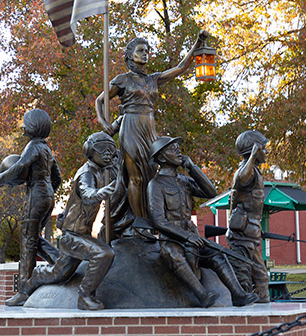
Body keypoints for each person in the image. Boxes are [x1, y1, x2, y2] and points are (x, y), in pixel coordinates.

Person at [95, 31, 209, 221]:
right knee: (136, 177)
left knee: (149, 175)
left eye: (147, 50)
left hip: (149, 128)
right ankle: (140, 222)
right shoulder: (122, 79)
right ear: (130, 56)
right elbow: (100, 100)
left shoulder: (152, 79)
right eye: (140, 50)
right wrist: (102, 121)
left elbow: (181, 68)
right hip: (131, 128)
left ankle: (149, 218)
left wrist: (198, 43)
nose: (145, 53)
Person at [147, 136, 259, 307]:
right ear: (161, 158)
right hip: (172, 238)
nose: (178, 151)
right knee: (173, 255)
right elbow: (158, 220)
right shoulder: (155, 184)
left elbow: (210, 192)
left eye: (178, 147)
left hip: (192, 235)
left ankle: (238, 294)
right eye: (172, 148)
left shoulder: (184, 180)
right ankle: (202, 294)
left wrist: (193, 168)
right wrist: (186, 237)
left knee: (218, 254)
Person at [19, 132, 117, 310]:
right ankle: (85, 296)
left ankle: (36, 277)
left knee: (60, 274)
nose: (108, 153)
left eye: (112, 149)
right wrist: (104, 192)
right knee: (103, 254)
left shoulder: (103, 171)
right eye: (102, 149)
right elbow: (87, 194)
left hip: (81, 234)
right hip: (72, 236)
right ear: (90, 151)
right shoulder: (86, 173)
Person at [0, 109, 62, 306]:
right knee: (33, 238)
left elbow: (19, 166)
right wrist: (48, 191)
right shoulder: (46, 149)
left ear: (32, 127)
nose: (22, 126)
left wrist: (0, 179)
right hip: (48, 195)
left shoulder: (33, 146)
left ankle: (24, 291)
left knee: (27, 242)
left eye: (24, 123)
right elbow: (57, 177)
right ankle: (60, 261)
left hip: (37, 196)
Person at [226, 130, 270, 303]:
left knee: (261, 277)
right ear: (253, 150)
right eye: (263, 148)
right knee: (245, 276)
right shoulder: (245, 172)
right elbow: (242, 180)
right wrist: (252, 157)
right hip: (242, 235)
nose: (266, 152)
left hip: (250, 233)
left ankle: (262, 308)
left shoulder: (254, 172)